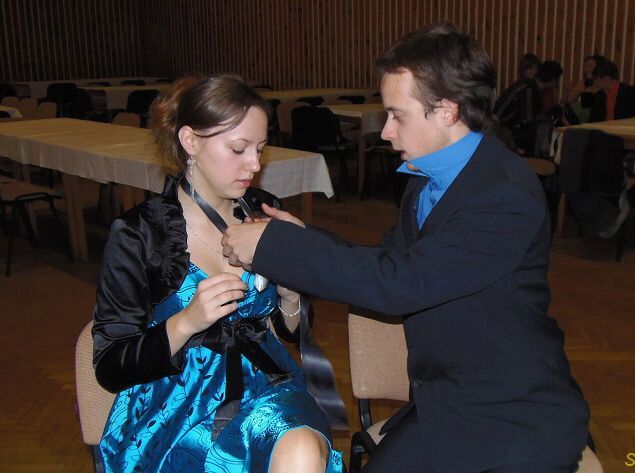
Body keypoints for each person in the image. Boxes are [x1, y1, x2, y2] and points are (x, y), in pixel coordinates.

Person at [222, 23, 590, 473]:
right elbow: (391, 263)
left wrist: (275, 247)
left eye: (397, 115)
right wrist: (300, 237)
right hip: (447, 401)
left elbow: (399, 284)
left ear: (447, 111)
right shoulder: (427, 178)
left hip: (512, 414)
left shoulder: (503, 193)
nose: (386, 132)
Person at [91, 74, 345, 473]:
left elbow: (289, 330)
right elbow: (110, 365)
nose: (255, 165)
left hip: (266, 386)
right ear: (190, 141)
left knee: (300, 449)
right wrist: (187, 321)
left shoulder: (265, 212)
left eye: (260, 149)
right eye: (239, 149)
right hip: (172, 404)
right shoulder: (139, 234)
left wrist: (292, 292)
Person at [494, 53, 541, 154]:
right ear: (528, 70)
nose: (537, 71)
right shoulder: (526, 87)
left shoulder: (519, 85)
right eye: (535, 68)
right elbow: (527, 117)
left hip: (499, 125)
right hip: (503, 128)